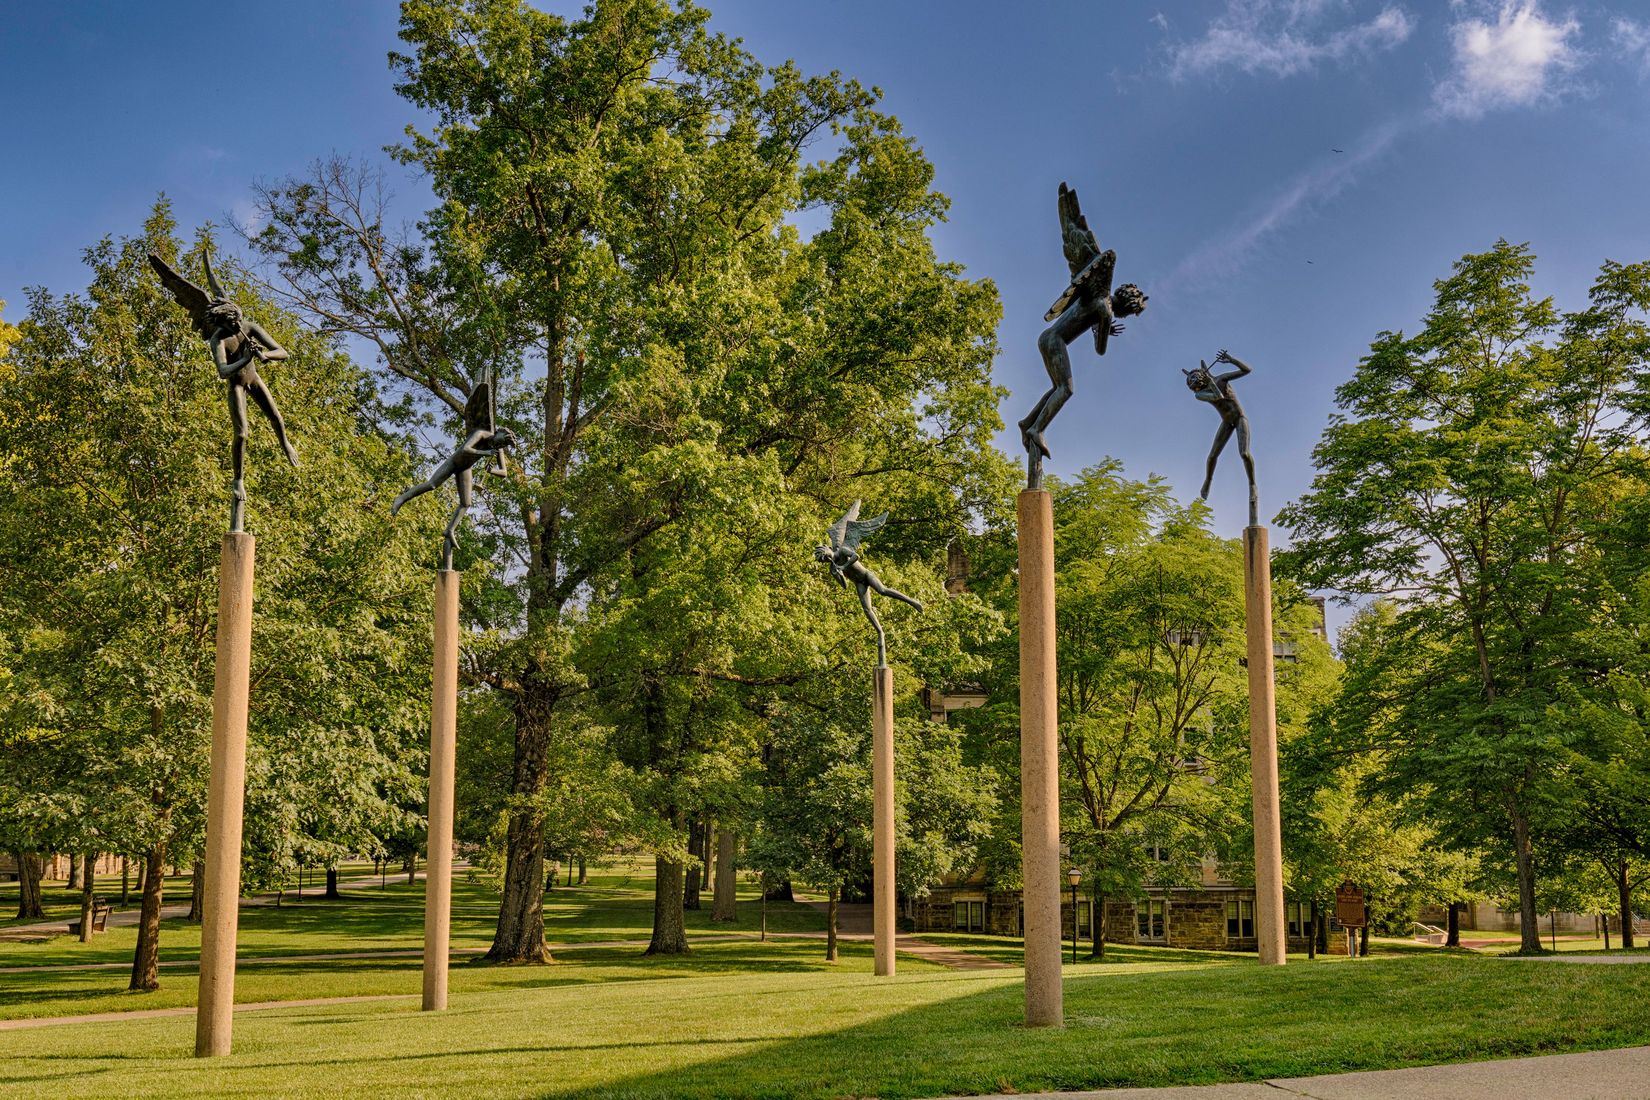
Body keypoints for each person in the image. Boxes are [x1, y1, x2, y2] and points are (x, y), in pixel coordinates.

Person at [1184, 348, 1256, 521]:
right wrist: (1209, 382)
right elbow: (1217, 396)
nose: (1193, 382)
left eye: (1194, 377)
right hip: (1226, 422)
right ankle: (1208, 480)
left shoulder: (1221, 379)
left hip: (1239, 419)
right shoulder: (1200, 394)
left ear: (1202, 374)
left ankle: (1252, 483)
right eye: (1190, 381)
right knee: (1211, 456)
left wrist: (1231, 359)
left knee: (1244, 453)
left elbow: (1247, 370)